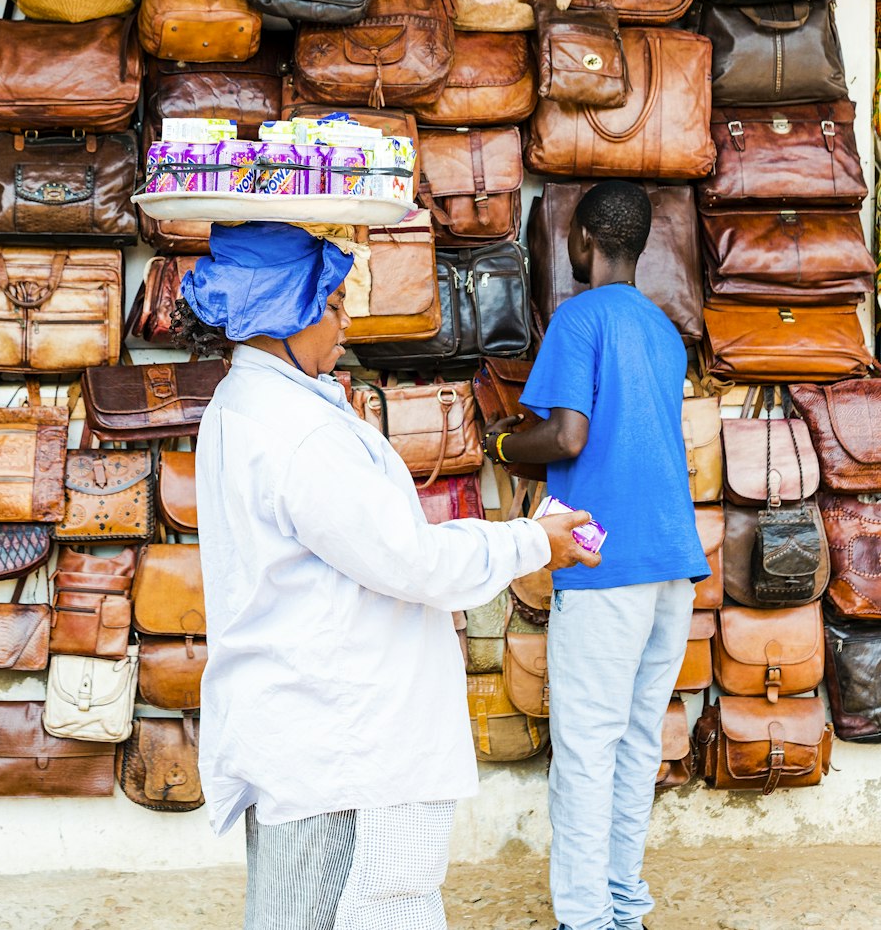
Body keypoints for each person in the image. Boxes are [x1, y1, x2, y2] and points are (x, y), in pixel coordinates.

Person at [179, 221, 602, 930]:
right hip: (335, 749)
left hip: (316, 733)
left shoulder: (254, 404)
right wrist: (531, 544)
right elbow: (410, 562)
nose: (347, 321)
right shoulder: (297, 433)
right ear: (291, 309)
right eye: (335, 301)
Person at [482, 181, 708, 930]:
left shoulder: (579, 318)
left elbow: (570, 438)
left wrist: (505, 443)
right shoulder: (666, 330)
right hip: (672, 559)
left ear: (580, 240)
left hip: (603, 561)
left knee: (585, 749)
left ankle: (584, 920)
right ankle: (623, 906)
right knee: (638, 744)